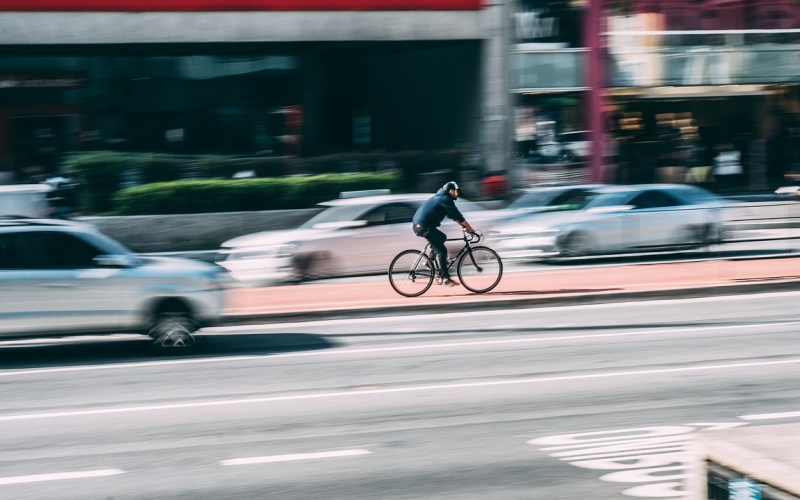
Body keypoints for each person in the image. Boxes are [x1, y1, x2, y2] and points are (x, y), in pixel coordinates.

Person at [412, 181, 476, 287]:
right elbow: (458, 216)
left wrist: (465, 227)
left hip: (422, 225)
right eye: (457, 191)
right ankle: (446, 278)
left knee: (442, 237)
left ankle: (429, 261)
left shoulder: (441, 198)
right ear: (451, 191)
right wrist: (470, 229)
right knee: (441, 250)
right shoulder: (445, 199)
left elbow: (454, 216)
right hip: (423, 227)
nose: (458, 193)